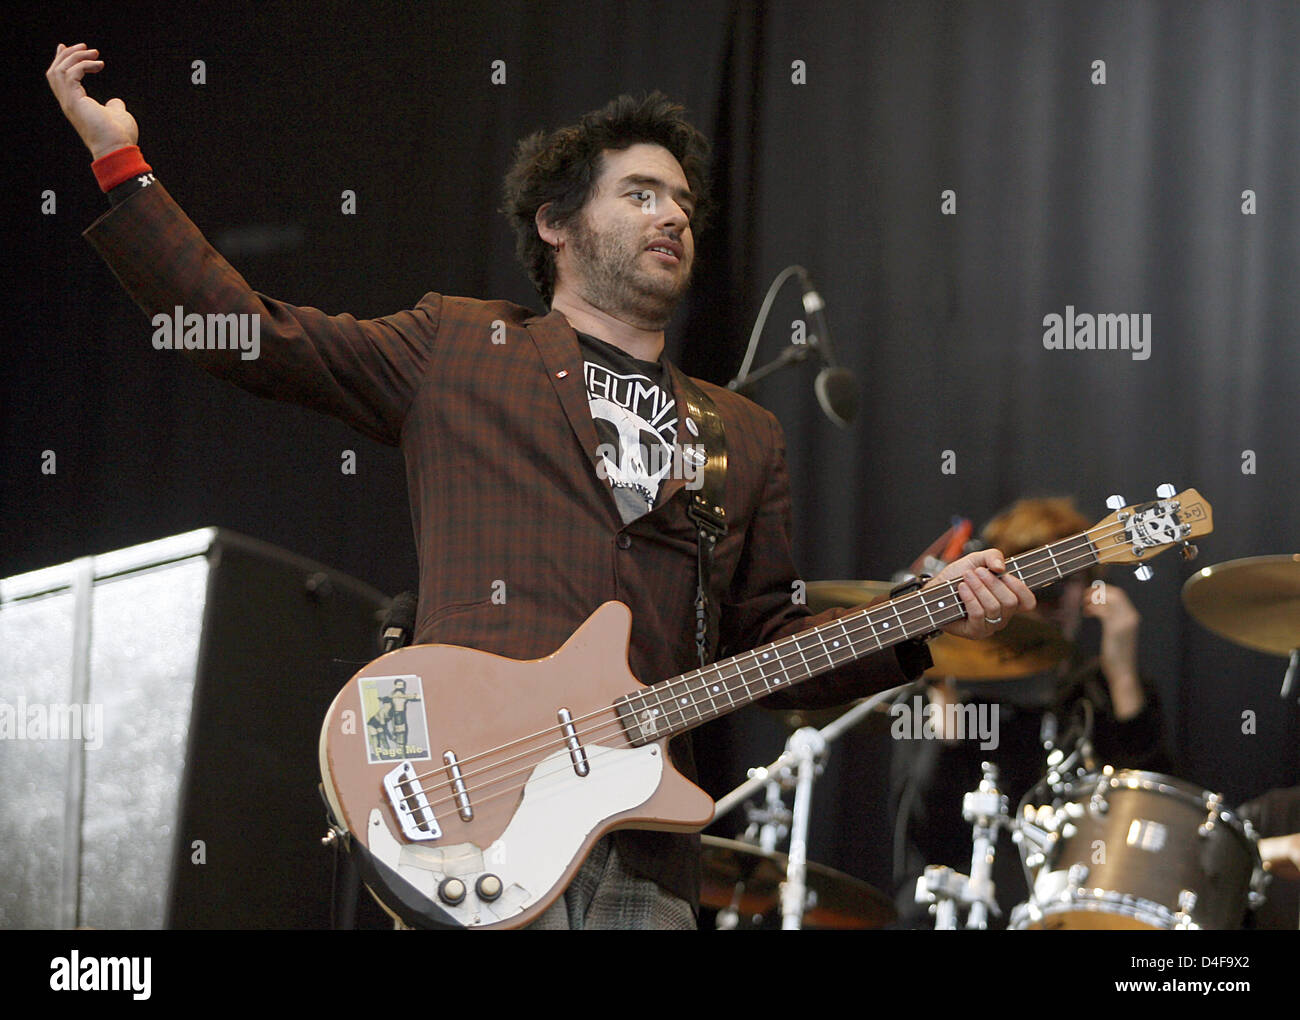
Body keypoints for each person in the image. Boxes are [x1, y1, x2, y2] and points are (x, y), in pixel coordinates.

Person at [47, 42, 1035, 929]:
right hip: (468, 812)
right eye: (643, 193)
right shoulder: (460, 346)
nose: (675, 214)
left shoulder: (743, 432)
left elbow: (767, 648)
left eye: (684, 202)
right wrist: (121, 164)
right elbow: (253, 335)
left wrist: (923, 618)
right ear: (557, 222)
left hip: (645, 848)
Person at [891, 497, 1170, 927]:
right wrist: (944, 677)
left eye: (1066, 576)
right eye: (1034, 574)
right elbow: (926, 832)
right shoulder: (955, 688)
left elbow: (1157, 818)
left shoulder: (1095, 695)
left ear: (1090, 587)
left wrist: (1122, 670)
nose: (1049, 591)